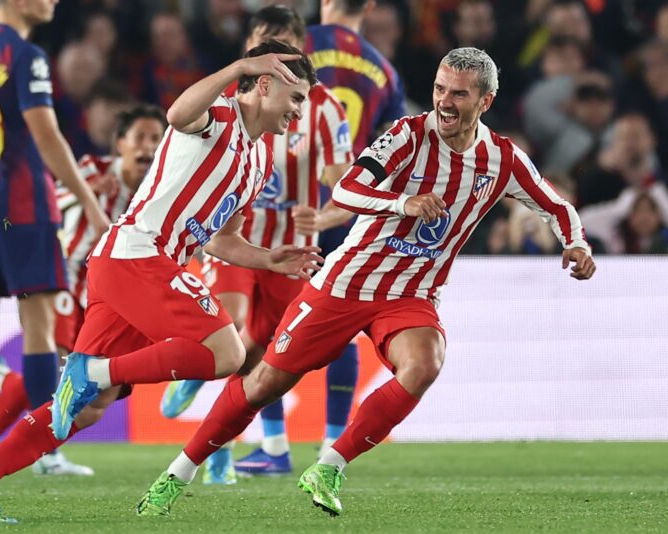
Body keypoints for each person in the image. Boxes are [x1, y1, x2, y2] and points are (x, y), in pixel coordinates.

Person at [135, 47, 596, 518]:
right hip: (346, 284)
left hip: (411, 295)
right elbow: (347, 188)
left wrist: (575, 242)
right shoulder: (405, 136)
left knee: (424, 364)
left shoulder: (501, 158)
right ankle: (179, 472)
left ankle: (330, 465)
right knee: (264, 385)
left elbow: (555, 204)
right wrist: (403, 203)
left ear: (486, 101)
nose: (445, 101)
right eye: (440, 89)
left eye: (459, 93)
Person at [0, 39, 321, 523]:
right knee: (227, 354)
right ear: (264, 84)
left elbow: (223, 241)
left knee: (88, 409)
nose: (299, 113)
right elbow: (178, 114)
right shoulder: (218, 114)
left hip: (141, 268)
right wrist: (240, 65)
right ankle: (92, 372)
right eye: (296, 98)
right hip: (138, 255)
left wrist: (268, 260)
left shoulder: (260, 161)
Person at [158, 5, 354, 484]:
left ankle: (221, 440)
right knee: (233, 324)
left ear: (302, 47)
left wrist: (324, 215)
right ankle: (221, 419)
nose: (275, 51)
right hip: (233, 239)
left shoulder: (323, 107)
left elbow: (343, 189)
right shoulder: (229, 96)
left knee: (260, 351)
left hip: (289, 252)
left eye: (284, 41)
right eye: (265, 41)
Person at [0, 105, 168, 476]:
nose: (148, 146)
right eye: (140, 137)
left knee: (85, 391)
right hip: (66, 276)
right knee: (56, 379)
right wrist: (86, 193)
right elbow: (47, 204)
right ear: (121, 144)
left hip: (109, 299)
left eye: (156, 139)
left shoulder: (158, 188)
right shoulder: (94, 169)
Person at [234, 0, 409, 475]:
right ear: (369, 6)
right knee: (343, 331)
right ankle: (333, 443)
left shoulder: (301, 44)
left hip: (283, 210)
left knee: (266, 333)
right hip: (343, 208)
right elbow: (394, 144)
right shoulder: (384, 70)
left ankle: (273, 446)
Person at [0, 0, 110, 478]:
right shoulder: (27, 55)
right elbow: (48, 137)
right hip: (20, 208)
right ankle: (46, 451)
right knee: (39, 327)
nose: (53, 0)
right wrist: (92, 207)